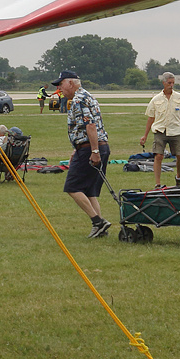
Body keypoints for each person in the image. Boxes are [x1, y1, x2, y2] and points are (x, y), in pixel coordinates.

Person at [53, 71, 111, 237]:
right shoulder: (88, 96)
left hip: (91, 148)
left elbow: (90, 126)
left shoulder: (78, 100)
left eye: (61, 84)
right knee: (89, 190)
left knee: (72, 187)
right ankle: (100, 230)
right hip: (97, 146)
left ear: (71, 83)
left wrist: (93, 151)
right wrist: (76, 148)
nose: (59, 88)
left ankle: (97, 222)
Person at [140, 72, 180, 189]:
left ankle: (178, 177)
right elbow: (151, 117)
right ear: (164, 83)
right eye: (169, 83)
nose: (171, 85)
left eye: (173, 83)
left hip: (176, 131)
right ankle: (158, 184)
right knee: (158, 156)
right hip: (160, 131)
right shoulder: (156, 99)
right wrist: (145, 136)